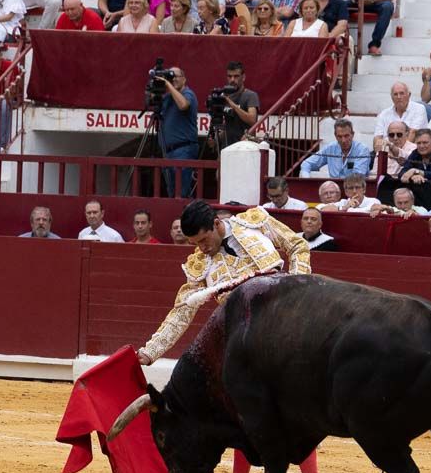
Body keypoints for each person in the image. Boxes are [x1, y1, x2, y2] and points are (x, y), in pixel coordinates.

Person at [138, 199, 309, 366]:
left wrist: (297, 287)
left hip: (285, 309)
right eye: (195, 243)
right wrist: (150, 351)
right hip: (245, 334)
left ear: (217, 224)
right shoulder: (199, 265)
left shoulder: (253, 222)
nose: (202, 248)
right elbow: (182, 312)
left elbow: (297, 245)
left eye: (204, 240)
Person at [155, 66, 199, 197]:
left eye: (176, 76)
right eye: (170, 76)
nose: (173, 79)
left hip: (183, 149)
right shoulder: (168, 97)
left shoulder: (188, 93)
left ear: (184, 79)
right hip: (168, 151)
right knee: (172, 192)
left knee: (182, 192)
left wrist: (168, 85)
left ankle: (184, 216)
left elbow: (183, 105)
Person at [299, 119, 371, 178]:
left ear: (352, 135)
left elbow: (357, 176)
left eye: (346, 136)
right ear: (335, 136)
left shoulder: (362, 150)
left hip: (354, 189)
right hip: (334, 189)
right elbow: (307, 163)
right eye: (340, 136)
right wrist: (307, 179)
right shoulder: (330, 148)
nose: (343, 140)